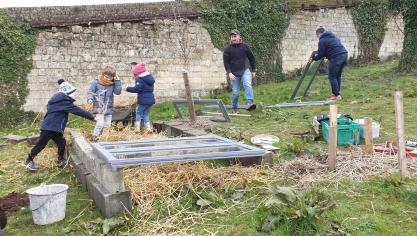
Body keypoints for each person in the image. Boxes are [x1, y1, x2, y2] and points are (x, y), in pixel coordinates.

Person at [23, 79, 95, 171]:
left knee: (61, 142)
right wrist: (92, 117)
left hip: (54, 128)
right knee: (41, 144)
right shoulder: (64, 103)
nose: (74, 95)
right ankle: (28, 161)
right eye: (73, 92)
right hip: (50, 128)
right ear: (67, 93)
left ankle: (60, 160)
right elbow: (78, 111)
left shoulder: (56, 101)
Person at [223, 29, 257, 113]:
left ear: (239, 37)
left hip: (245, 70)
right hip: (234, 73)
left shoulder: (245, 47)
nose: (233, 38)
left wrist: (253, 70)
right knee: (235, 93)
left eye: (235, 36)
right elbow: (226, 63)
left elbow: (251, 58)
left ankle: (249, 102)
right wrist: (229, 73)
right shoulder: (227, 49)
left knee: (247, 84)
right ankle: (234, 107)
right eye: (232, 37)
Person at [310, 26, 348, 100]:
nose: (317, 37)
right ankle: (336, 93)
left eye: (317, 36)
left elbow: (321, 54)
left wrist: (313, 58)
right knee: (337, 76)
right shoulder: (335, 37)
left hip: (336, 58)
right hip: (344, 56)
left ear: (319, 34)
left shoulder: (322, 40)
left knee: (332, 76)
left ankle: (336, 95)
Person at [87, 66, 122, 140]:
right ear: (103, 74)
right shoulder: (96, 82)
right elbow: (90, 92)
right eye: (106, 77)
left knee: (107, 125)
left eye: (110, 77)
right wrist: (90, 99)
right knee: (100, 124)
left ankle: (104, 138)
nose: (108, 79)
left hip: (108, 107)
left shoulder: (113, 84)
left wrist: (117, 81)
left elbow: (118, 92)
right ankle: (94, 137)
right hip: (99, 107)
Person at [126, 63, 155, 131]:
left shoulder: (140, 79)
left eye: (135, 74)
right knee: (146, 114)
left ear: (138, 73)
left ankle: (137, 129)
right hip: (151, 100)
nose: (135, 76)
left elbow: (137, 89)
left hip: (143, 100)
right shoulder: (150, 78)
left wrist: (127, 88)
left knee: (138, 113)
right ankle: (148, 129)